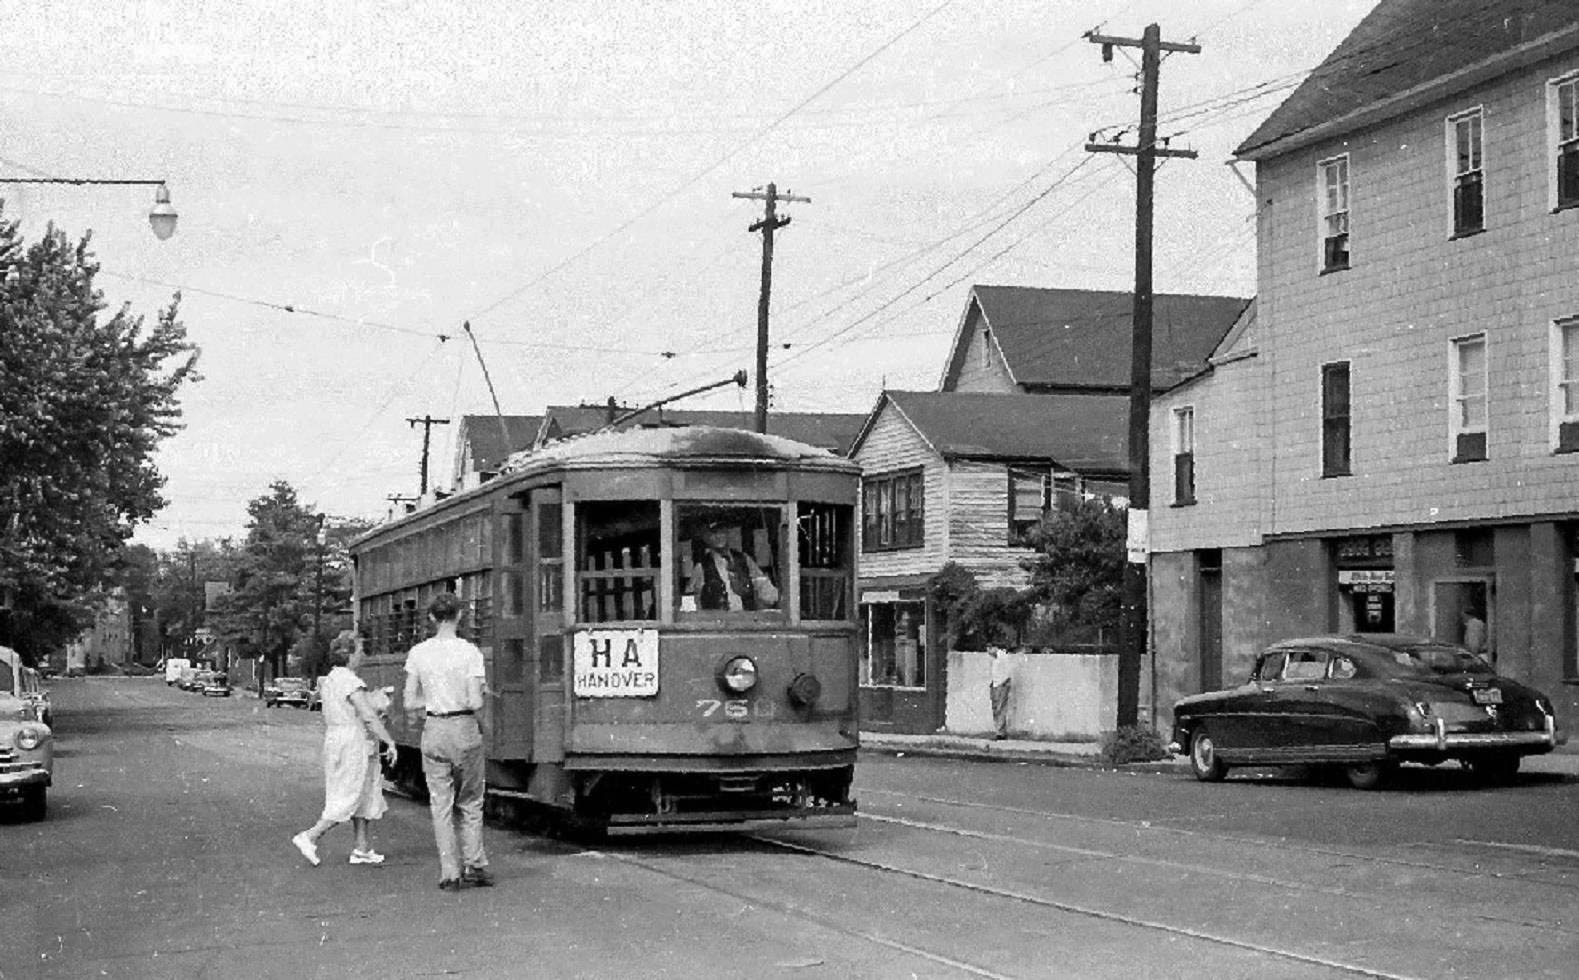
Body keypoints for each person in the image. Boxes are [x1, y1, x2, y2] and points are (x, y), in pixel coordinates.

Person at [404, 592, 492, 891]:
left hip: (435, 729)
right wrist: (483, 700)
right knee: (470, 800)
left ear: (431, 618)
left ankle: (449, 872)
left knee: (440, 803)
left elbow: (408, 701)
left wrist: (429, 703)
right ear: (460, 616)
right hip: (464, 726)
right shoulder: (470, 652)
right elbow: (475, 701)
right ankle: (475, 864)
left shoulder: (418, 653)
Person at [292, 631, 398, 868]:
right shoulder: (350, 681)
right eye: (359, 650)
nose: (362, 655)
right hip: (352, 740)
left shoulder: (332, 678)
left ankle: (361, 848)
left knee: (363, 791)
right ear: (348, 654)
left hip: (340, 737)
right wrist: (389, 741)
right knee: (348, 792)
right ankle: (310, 836)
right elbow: (368, 715)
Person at [685, 520, 780, 611]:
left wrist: (778, 600)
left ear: (727, 533)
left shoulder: (744, 559)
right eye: (712, 533)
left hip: (747, 620)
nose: (718, 536)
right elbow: (692, 601)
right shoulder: (701, 567)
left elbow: (764, 587)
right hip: (718, 623)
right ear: (706, 538)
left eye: (721, 531)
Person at [986, 644, 1014, 740]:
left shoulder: (1002, 657)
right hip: (996, 684)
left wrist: (1002, 684)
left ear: (994, 647)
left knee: (1000, 708)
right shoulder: (996, 658)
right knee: (996, 708)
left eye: (989, 649)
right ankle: (999, 730)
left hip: (1001, 685)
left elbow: (1007, 673)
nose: (988, 652)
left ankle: (1000, 733)